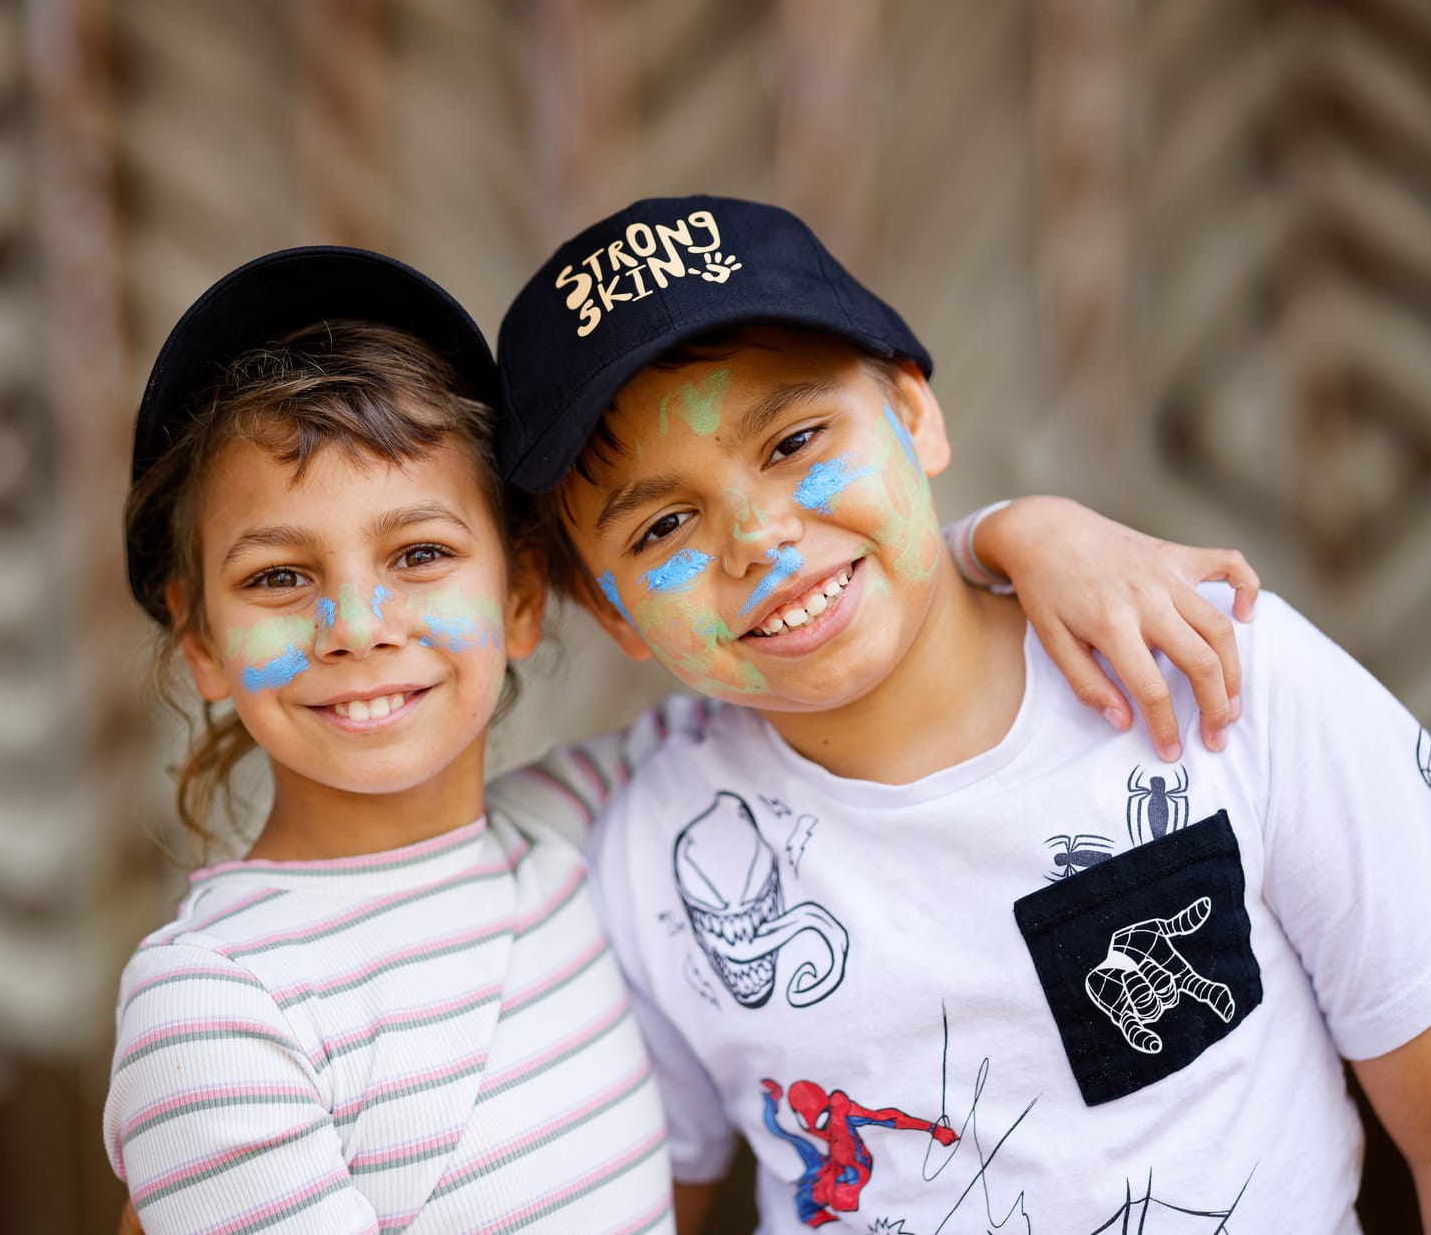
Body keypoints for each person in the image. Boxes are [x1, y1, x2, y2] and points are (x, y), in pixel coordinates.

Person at [104, 246, 1270, 1233]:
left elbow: (821, 641)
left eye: (419, 555)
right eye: (277, 576)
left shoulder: (597, 818)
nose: (358, 626)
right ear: (196, 635)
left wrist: (1022, 535)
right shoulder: (213, 1008)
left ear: (523, 599)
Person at [491, 195, 1431, 1233]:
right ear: (611, 612)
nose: (756, 539)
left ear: (914, 415)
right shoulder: (652, 860)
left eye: (794, 444)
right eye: (662, 528)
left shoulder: (1204, 667)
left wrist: (1013, 528)